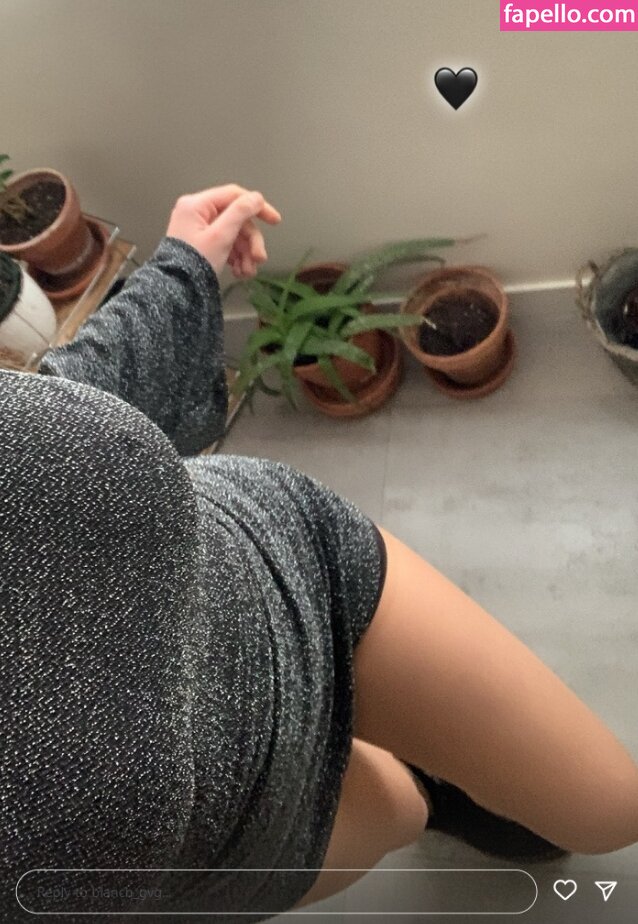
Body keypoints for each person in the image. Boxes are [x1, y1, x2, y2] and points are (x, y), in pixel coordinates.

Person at [2, 184, 637, 923]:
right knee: (405, 806)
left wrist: (181, 273)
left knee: (610, 811)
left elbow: (39, 442)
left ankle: (431, 770)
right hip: (220, 839)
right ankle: (432, 791)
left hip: (288, 576)